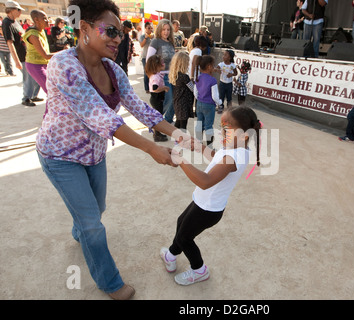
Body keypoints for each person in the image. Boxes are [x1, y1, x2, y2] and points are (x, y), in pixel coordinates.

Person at [36, 0, 190, 300]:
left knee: (96, 210)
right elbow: (100, 115)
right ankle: (111, 284)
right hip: (59, 157)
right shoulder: (63, 65)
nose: (118, 39)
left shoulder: (113, 70)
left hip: (93, 155)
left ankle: (79, 228)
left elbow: (138, 107)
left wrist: (177, 133)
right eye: (109, 31)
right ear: (84, 29)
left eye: (120, 33)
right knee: (93, 224)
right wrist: (151, 149)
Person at [161, 106, 261, 285]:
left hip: (208, 210)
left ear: (244, 136)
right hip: (202, 202)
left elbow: (205, 181)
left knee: (185, 238)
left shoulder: (234, 157)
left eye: (226, 129)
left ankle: (199, 270)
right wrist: (200, 148)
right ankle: (170, 255)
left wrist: (180, 160)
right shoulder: (233, 148)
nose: (220, 133)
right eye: (220, 127)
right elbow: (217, 157)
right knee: (181, 224)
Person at [3, 0, 41, 107]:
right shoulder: (6, 23)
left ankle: (33, 95)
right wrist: (16, 61)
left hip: (28, 53)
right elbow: (10, 43)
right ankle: (26, 98)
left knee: (35, 76)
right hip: (21, 55)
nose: (20, 12)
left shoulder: (15, 22)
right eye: (18, 10)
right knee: (28, 77)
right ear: (11, 10)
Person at [146, 19, 176, 124]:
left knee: (173, 100)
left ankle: (163, 120)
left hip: (172, 76)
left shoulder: (171, 42)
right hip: (161, 76)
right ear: (159, 30)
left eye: (168, 29)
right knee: (167, 100)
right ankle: (155, 120)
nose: (166, 32)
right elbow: (149, 60)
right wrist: (153, 77)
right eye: (163, 29)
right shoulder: (156, 41)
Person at [22, 10, 53, 94]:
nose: (47, 20)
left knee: (52, 90)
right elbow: (45, 55)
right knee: (51, 91)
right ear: (36, 20)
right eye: (44, 18)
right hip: (35, 65)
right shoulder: (33, 35)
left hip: (44, 64)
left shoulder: (41, 31)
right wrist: (66, 52)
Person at [194, 55, 222, 147]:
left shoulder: (198, 77)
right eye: (213, 65)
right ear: (209, 66)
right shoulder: (212, 80)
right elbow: (215, 96)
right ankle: (210, 146)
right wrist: (220, 103)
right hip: (209, 105)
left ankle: (198, 142)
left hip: (199, 103)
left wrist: (199, 99)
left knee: (199, 123)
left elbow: (195, 92)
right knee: (208, 126)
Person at [146, 54, 169, 142]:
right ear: (157, 66)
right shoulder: (155, 77)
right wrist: (164, 88)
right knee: (158, 117)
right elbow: (155, 88)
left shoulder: (157, 74)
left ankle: (158, 133)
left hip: (158, 98)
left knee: (158, 116)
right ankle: (157, 135)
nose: (164, 65)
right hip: (156, 99)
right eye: (162, 64)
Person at [169, 51, 194, 131]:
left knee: (179, 121)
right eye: (187, 62)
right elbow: (192, 88)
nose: (188, 64)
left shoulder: (175, 75)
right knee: (183, 125)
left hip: (178, 101)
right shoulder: (184, 77)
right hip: (184, 103)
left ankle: (176, 138)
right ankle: (182, 141)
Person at [216, 49, 237, 113]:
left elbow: (236, 73)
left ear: (230, 57)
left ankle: (229, 109)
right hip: (222, 83)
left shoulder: (232, 65)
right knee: (221, 96)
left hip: (229, 84)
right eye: (223, 55)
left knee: (229, 97)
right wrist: (218, 70)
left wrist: (231, 74)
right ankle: (220, 107)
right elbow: (216, 68)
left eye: (225, 55)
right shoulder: (221, 64)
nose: (223, 56)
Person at [139, 21, 153, 93]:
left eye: (151, 28)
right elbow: (141, 45)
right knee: (146, 72)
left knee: (152, 73)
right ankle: (147, 88)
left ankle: (152, 87)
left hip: (152, 58)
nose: (150, 29)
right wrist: (145, 38)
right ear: (145, 29)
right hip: (145, 57)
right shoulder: (142, 36)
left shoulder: (153, 37)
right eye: (148, 28)